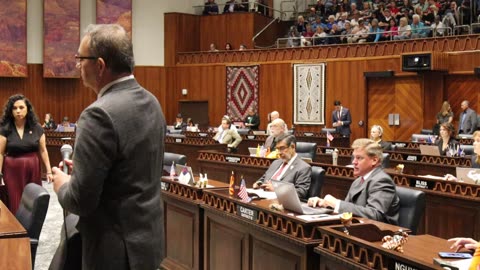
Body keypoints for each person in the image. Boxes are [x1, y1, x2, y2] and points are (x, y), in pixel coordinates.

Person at [51, 24, 165, 270]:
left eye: (80, 58)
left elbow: (81, 201)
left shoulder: (98, 114)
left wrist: (62, 184)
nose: (77, 65)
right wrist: (85, 169)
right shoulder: (152, 102)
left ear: (100, 66)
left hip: (112, 252)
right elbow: (129, 171)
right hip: (148, 244)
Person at [307, 138, 400, 224]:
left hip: (379, 236)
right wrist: (324, 203)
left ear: (374, 160)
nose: (354, 162)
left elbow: (375, 215)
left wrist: (337, 203)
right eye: (354, 157)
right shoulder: (358, 181)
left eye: (359, 158)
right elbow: (347, 209)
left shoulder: (382, 180)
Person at [0, 94, 53, 213]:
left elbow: (43, 150)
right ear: (10, 111)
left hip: (32, 168)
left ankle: (31, 229)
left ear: (27, 109)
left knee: (32, 200)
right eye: (14, 108)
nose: (18, 111)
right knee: (14, 200)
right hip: (12, 170)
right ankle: (17, 229)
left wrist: (49, 171)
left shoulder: (37, 127)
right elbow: (0, 152)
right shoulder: (5, 128)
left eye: (21, 107)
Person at [253, 134, 311, 200]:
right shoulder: (276, 162)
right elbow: (264, 178)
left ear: (292, 147)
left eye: (282, 148)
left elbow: (301, 192)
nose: (279, 153)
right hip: (263, 198)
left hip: (280, 203)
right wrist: (258, 183)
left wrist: (277, 189)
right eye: (277, 149)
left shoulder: (303, 167)